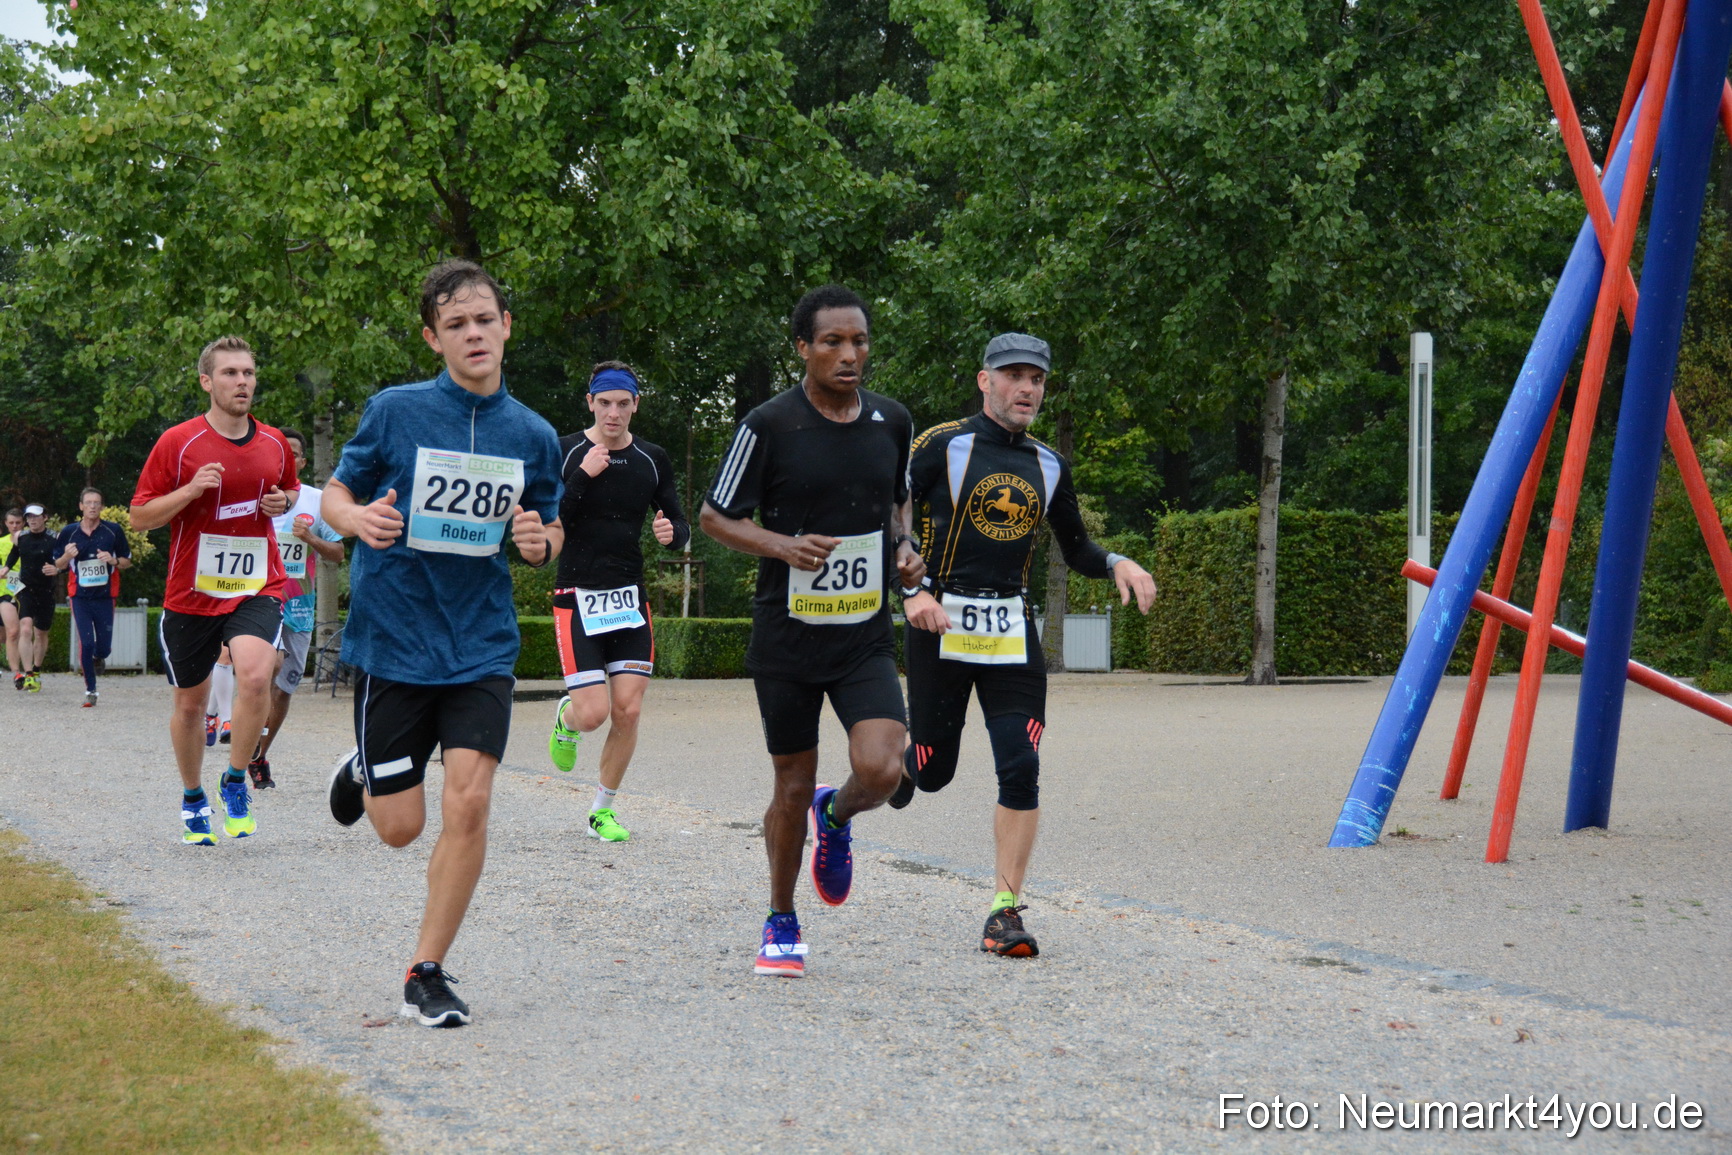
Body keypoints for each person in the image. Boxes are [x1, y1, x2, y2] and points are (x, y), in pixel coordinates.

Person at [323, 258, 562, 1028]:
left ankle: (425, 971)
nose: (473, 334)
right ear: (434, 337)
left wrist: (539, 540)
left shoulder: (533, 434)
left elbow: (550, 525)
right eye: (455, 324)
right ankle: (366, 765)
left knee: (471, 800)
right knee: (399, 827)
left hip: (480, 646)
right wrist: (357, 521)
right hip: (394, 640)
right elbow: (336, 491)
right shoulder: (394, 411)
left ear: (506, 327)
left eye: (484, 319)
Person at [894, 332, 1157, 957]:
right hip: (940, 618)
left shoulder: (1048, 463)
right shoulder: (941, 444)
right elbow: (889, 512)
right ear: (985, 381)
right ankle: (878, 779)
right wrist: (912, 590)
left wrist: (1116, 560)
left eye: (1036, 378)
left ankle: (1004, 911)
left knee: (1022, 762)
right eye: (1014, 375)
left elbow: (1077, 547)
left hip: (1010, 627)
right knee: (931, 773)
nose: (1027, 388)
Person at [699, 284, 921, 978]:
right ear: (803, 347)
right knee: (790, 786)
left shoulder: (892, 420)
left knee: (884, 765)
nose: (849, 354)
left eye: (858, 341)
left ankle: (841, 814)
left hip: (863, 633)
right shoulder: (768, 425)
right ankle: (781, 917)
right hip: (788, 636)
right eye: (833, 342)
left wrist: (906, 546)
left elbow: (899, 499)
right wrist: (781, 546)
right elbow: (713, 516)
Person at [130, 336, 299, 846]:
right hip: (193, 592)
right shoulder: (177, 442)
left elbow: (289, 488)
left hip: (257, 582)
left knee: (255, 674)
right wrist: (189, 490)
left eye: (248, 373)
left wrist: (282, 502)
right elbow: (140, 517)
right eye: (230, 373)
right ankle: (191, 795)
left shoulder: (272, 442)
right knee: (190, 704)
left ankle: (234, 779)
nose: (242, 382)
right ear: (207, 381)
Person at [546, 361, 689, 842]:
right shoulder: (566, 451)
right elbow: (550, 522)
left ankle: (601, 811)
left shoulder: (652, 458)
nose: (613, 414)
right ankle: (566, 717)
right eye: (604, 403)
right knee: (594, 714)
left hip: (628, 597)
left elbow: (679, 521)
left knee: (627, 710)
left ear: (635, 405)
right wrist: (584, 475)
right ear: (590, 402)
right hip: (576, 596)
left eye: (623, 404)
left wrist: (671, 535)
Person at [246, 427, 345, 788]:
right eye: (280, 451)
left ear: (301, 462)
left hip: (299, 604)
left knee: (285, 687)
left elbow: (337, 553)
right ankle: (239, 733)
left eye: (294, 453)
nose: (287, 457)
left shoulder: (317, 501)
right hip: (257, 599)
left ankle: (259, 753)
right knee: (264, 669)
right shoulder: (252, 495)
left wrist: (311, 538)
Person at [53, 488, 133, 706]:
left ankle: (99, 657)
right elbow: (57, 564)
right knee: (86, 643)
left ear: (102, 506)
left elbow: (127, 561)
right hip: (79, 596)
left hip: (105, 597)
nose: (92, 506)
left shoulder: (113, 531)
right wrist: (67, 556)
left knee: (103, 648)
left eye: (97, 502)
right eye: (88, 502)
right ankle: (91, 690)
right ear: (80, 506)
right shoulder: (69, 532)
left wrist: (113, 561)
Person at [3, 504, 61, 692]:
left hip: (46, 591)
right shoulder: (22, 537)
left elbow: (65, 561)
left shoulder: (55, 538)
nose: (32, 521)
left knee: (41, 633)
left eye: (36, 517)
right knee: (25, 628)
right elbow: (14, 554)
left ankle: (36, 669)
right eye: (29, 517)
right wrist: (6, 568)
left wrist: (57, 568)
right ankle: (28, 674)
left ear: (45, 517)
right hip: (25, 590)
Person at [2, 508, 28, 689]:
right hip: (4, 592)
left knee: (23, 633)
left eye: (18, 523)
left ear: (24, 523)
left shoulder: (30, 541)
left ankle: (28, 671)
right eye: (11, 523)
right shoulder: (1, 543)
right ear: (5, 524)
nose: (14, 526)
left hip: (26, 591)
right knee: (12, 632)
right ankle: (16, 672)